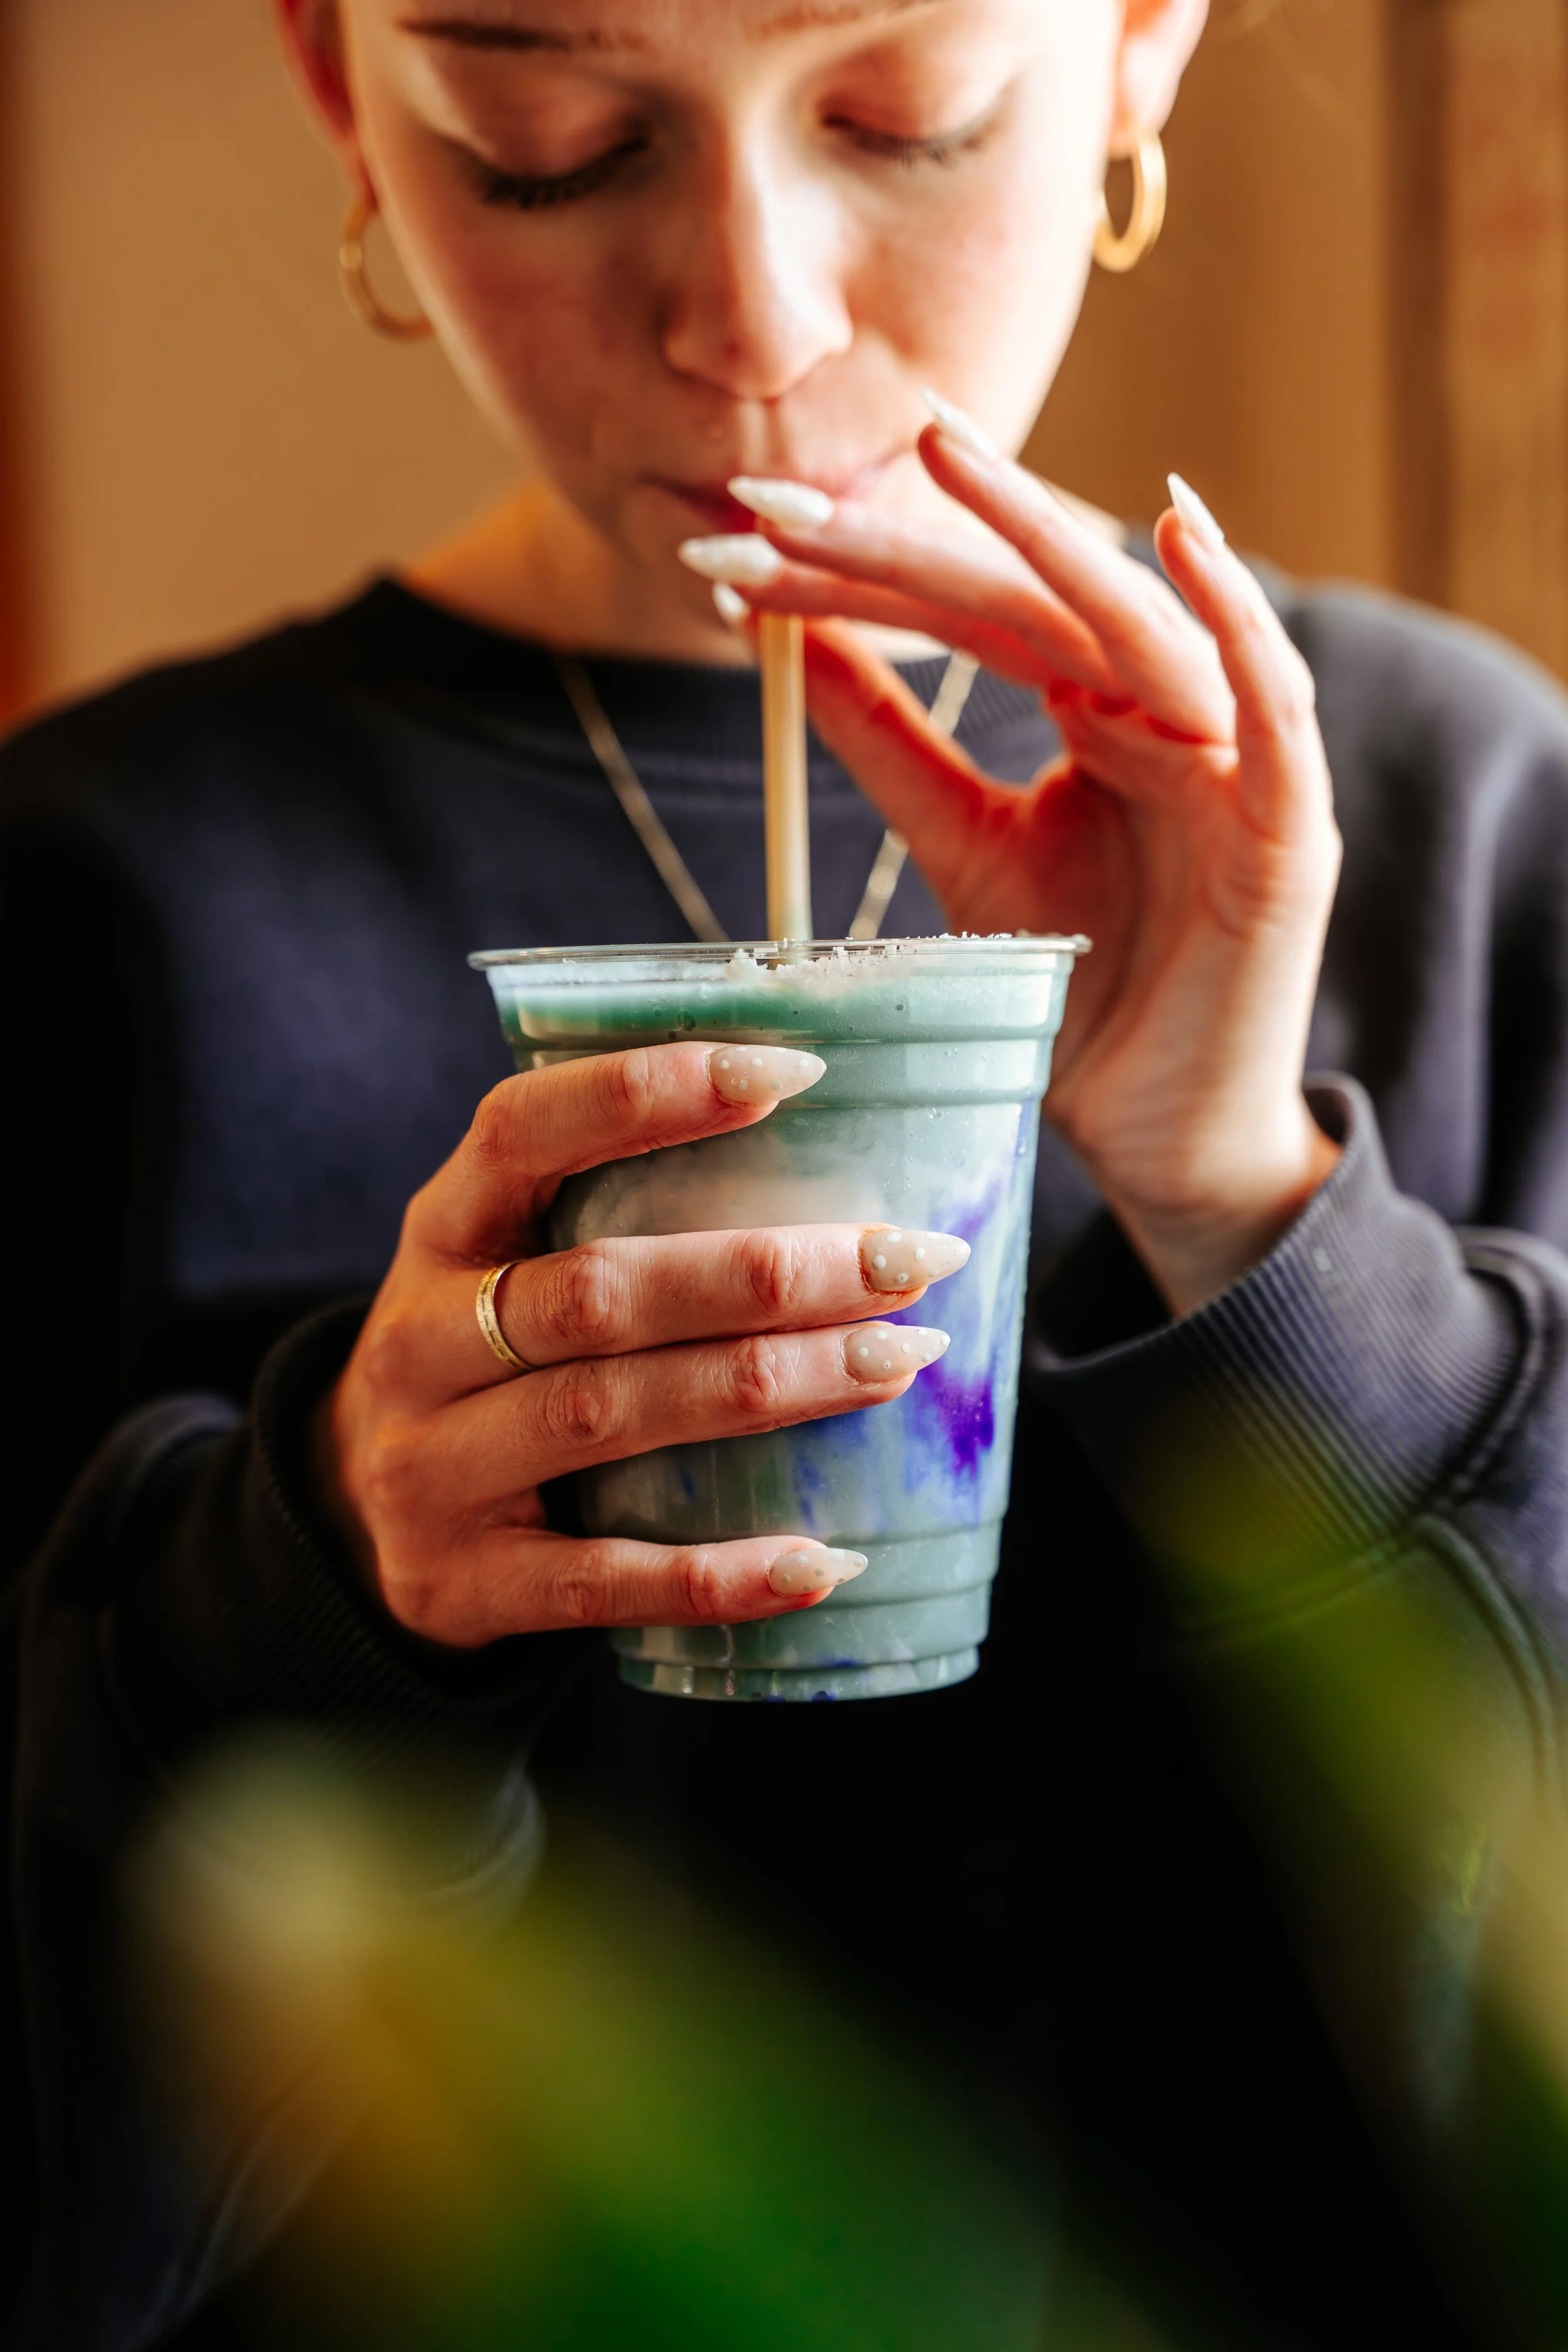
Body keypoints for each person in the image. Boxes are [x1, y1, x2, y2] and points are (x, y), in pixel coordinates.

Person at [4, 0, 1568, 2341]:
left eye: (902, 117)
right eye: (546, 143)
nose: (750, 321)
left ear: (1142, 45)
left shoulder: (1460, 831)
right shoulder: (92, 911)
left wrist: (1252, 1208)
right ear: (346, 90)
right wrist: (303, 1576)